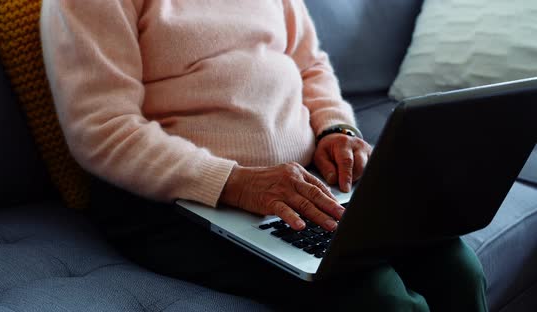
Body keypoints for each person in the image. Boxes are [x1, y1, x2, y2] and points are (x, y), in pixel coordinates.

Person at [41, 0, 487, 310]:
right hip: (176, 203)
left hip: (300, 180)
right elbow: (102, 129)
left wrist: (336, 127)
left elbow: (309, 65)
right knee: (380, 298)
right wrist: (235, 183)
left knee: (455, 267)